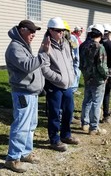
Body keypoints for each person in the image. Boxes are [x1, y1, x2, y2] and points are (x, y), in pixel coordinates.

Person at [4, 20, 50, 173]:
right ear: (22, 30)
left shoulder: (23, 45)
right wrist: (43, 54)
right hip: (23, 93)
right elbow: (28, 66)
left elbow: (31, 65)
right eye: (30, 31)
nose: (33, 35)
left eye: (35, 32)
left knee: (30, 126)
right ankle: (12, 158)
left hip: (31, 93)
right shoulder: (15, 47)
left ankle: (25, 153)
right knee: (21, 126)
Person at [40, 17, 80, 152]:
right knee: (54, 114)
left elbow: (70, 61)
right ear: (50, 30)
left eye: (62, 30)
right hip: (54, 86)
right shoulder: (45, 46)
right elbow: (44, 68)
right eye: (58, 30)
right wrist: (59, 78)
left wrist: (71, 76)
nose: (61, 33)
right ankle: (54, 139)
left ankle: (66, 135)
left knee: (69, 111)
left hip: (67, 86)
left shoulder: (66, 44)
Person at [79, 24, 108, 135]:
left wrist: (85, 73)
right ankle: (94, 127)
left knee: (87, 100)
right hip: (98, 80)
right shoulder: (99, 47)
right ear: (100, 34)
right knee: (96, 102)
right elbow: (101, 65)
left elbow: (81, 64)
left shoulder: (83, 45)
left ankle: (84, 123)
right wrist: (105, 75)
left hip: (87, 78)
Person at [101, 23, 111, 123]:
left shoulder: (98, 43)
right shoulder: (109, 44)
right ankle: (106, 115)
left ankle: (105, 114)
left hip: (101, 71)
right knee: (107, 93)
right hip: (109, 71)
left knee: (104, 94)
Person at [70, 26, 83, 94]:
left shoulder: (76, 37)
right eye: (81, 31)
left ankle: (74, 87)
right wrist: (74, 57)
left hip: (77, 58)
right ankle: (73, 89)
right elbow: (74, 48)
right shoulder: (73, 37)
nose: (81, 33)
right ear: (78, 31)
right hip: (75, 59)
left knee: (77, 73)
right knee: (76, 73)